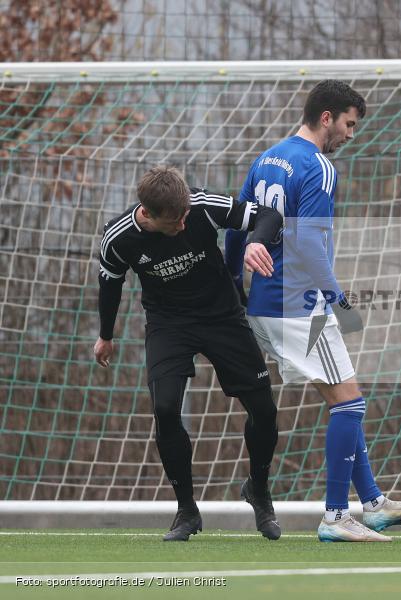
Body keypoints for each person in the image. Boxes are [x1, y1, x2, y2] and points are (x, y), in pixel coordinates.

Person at [224, 80, 401, 543]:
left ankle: (372, 503)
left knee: (343, 401)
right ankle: (336, 515)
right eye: (349, 124)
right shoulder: (318, 166)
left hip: (267, 303)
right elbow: (311, 247)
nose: (351, 135)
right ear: (326, 118)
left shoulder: (267, 158)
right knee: (351, 405)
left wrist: (234, 281)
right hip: (300, 303)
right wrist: (341, 301)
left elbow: (238, 227)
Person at [94, 165, 284, 542]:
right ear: (146, 213)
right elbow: (110, 284)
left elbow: (268, 215)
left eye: (185, 217)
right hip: (168, 324)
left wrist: (257, 241)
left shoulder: (200, 206)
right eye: (174, 221)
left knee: (264, 410)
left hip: (222, 317)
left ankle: (258, 490)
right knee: (164, 409)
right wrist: (105, 335)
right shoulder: (118, 238)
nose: (183, 224)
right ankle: (187, 511)